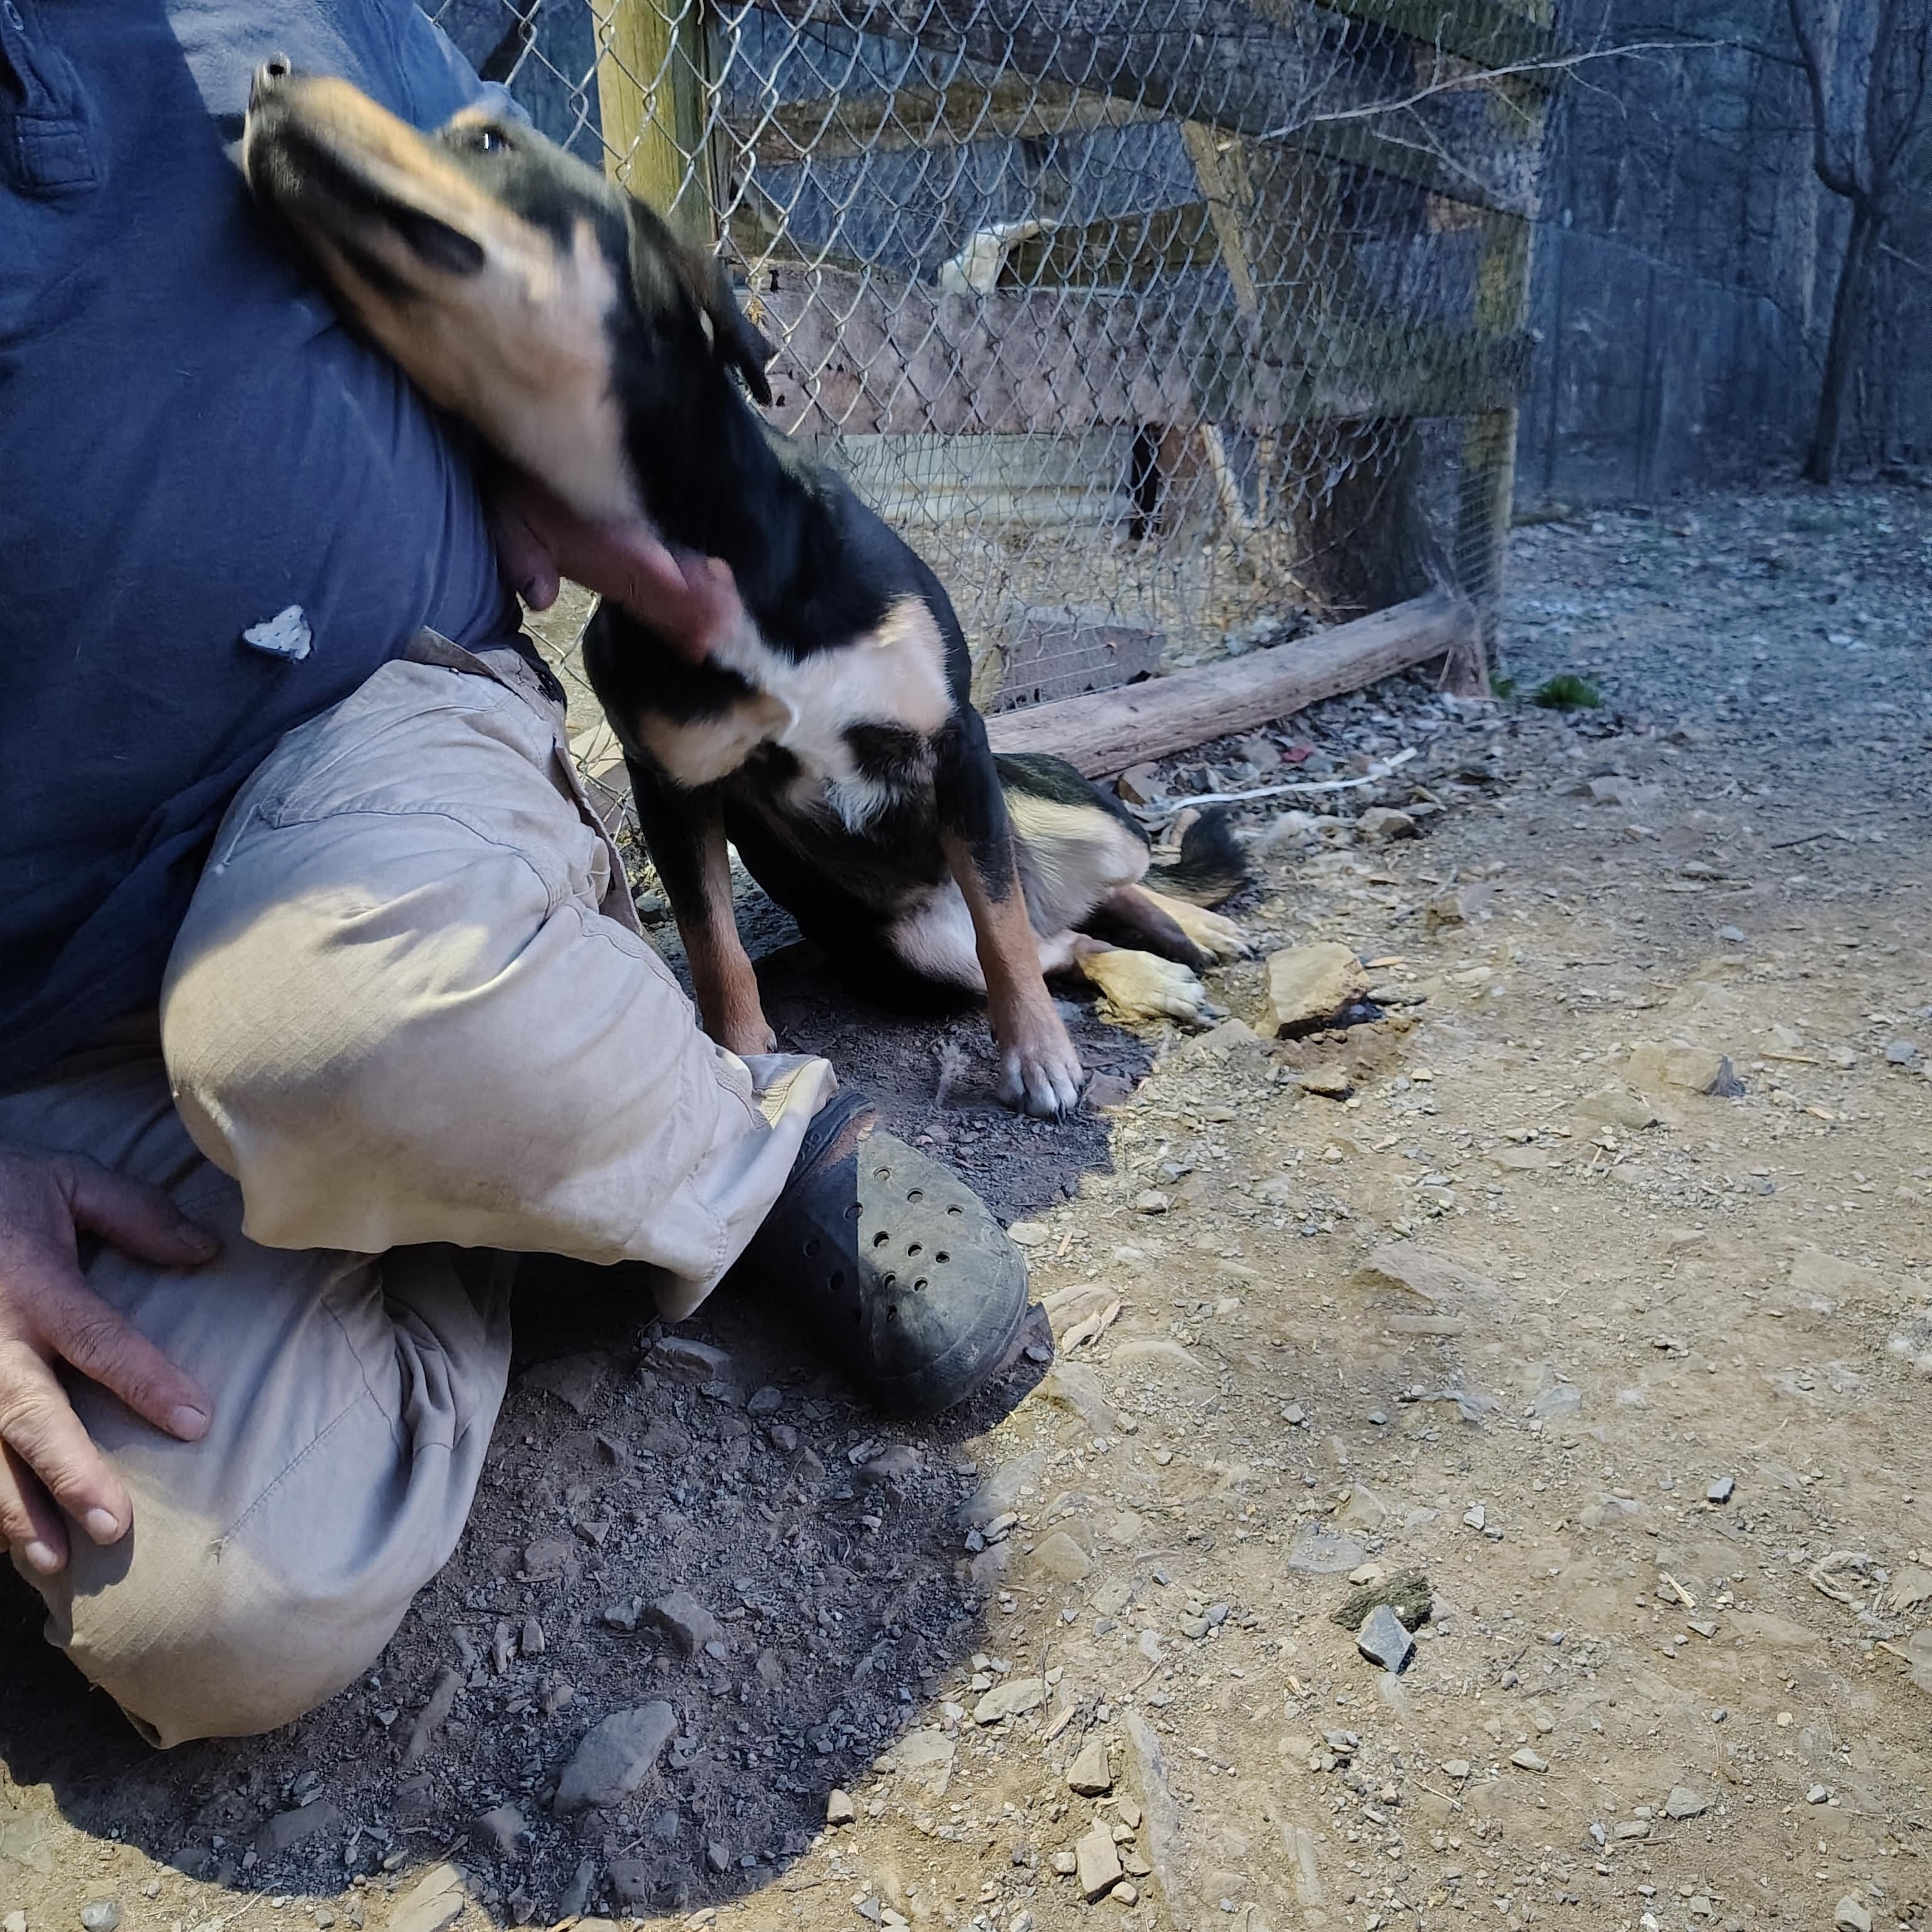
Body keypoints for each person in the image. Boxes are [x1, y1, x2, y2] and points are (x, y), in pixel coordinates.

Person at [0, 0, 1026, 1748]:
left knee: (343, 1007)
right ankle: (521, 1193)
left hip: (363, 770)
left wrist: (544, 465)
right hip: (43, 1059)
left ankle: (745, 1146)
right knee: (212, 1612)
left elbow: (498, 209)